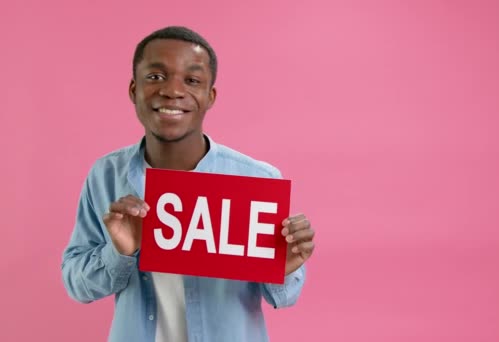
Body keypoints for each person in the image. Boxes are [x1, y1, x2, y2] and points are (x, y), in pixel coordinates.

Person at [61, 26, 316, 342]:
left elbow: (285, 296)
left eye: (192, 80)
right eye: (155, 77)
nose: (172, 91)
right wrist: (119, 253)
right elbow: (76, 284)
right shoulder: (105, 176)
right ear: (133, 89)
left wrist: (283, 268)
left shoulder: (257, 181)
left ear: (210, 96)